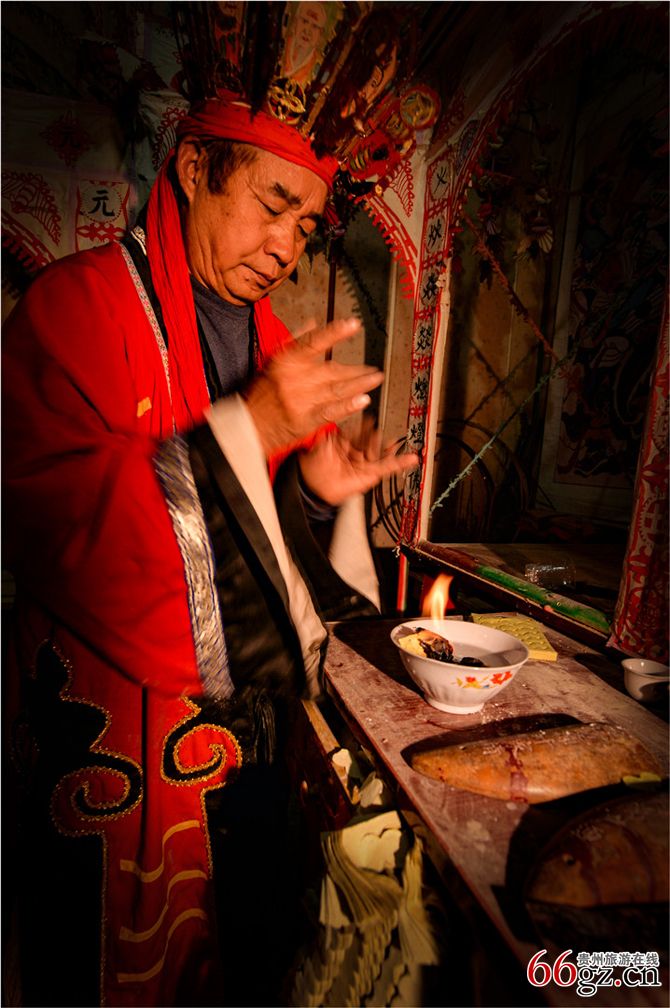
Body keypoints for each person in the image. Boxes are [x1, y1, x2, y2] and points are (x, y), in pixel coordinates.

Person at [2, 97, 418, 1007]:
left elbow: (267, 543)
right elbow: (66, 530)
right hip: (114, 742)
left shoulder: (272, 340)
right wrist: (255, 426)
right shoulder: (75, 308)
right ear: (194, 170)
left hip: (245, 745)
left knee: (248, 954)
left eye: (305, 225)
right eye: (272, 205)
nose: (286, 247)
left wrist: (320, 492)